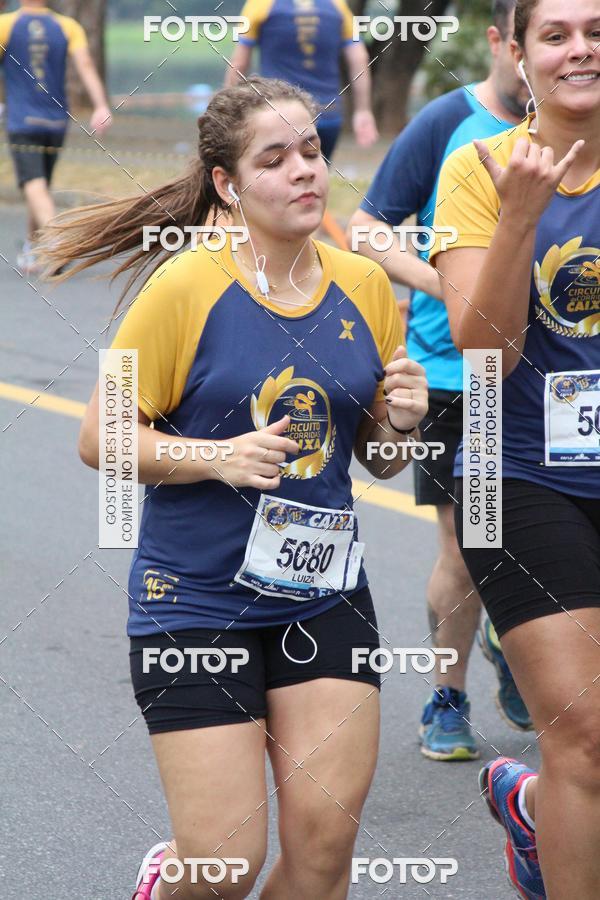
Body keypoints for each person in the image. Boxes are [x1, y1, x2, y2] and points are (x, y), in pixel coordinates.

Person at [40, 77, 428, 900]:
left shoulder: (364, 287)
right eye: (274, 159)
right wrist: (215, 457)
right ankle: (168, 881)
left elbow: (380, 459)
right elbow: (98, 437)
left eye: (311, 151)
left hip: (324, 594)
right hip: (195, 600)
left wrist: (402, 422)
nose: (304, 171)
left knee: (323, 854)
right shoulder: (184, 287)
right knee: (224, 868)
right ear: (228, 184)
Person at [431, 0, 600, 896]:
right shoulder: (479, 167)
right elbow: (484, 352)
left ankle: (537, 813)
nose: (580, 50)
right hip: (514, 472)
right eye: (557, 35)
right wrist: (519, 218)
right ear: (520, 55)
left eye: (597, 31)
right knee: (585, 735)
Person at [347, 0, 533, 762]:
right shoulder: (448, 124)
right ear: (501, 41)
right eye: (541, 38)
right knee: (470, 545)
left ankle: (518, 641)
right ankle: (447, 699)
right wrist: (444, 283)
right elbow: (364, 230)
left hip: (556, 377)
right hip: (464, 374)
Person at [0, 0, 112, 273]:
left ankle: (58, 244)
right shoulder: (67, 25)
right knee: (39, 185)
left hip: (23, 120)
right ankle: (33, 249)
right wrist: (101, 106)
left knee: (33, 184)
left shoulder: (6, 25)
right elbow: (86, 64)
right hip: (56, 121)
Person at [226, 0, 378, 159]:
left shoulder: (260, 4)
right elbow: (359, 58)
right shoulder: (337, 5)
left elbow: (239, 63)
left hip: (278, 115)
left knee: (277, 169)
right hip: (328, 114)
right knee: (317, 167)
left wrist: (229, 113)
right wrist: (363, 111)